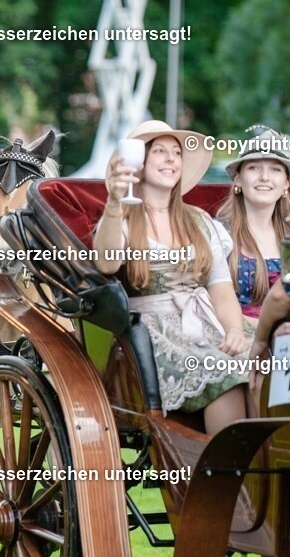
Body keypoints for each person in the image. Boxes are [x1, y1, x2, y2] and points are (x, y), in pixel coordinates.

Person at [94, 120, 251, 435]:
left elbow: (220, 291)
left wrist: (234, 329)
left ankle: (270, 473)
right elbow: (107, 264)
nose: (170, 159)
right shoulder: (123, 217)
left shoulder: (200, 222)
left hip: (207, 323)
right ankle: (228, 478)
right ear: (139, 164)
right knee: (227, 373)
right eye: (160, 152)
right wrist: (114, 199)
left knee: (264, 364)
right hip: (154, 334)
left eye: (176, 153)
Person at [216, 127, 290, 324]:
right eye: (254, 167)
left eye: (275, 169)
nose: (264, 177)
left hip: (289, 342)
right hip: (237, 340)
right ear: (238, 178)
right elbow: (211, 304)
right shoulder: (219, 234)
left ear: (286, 183)